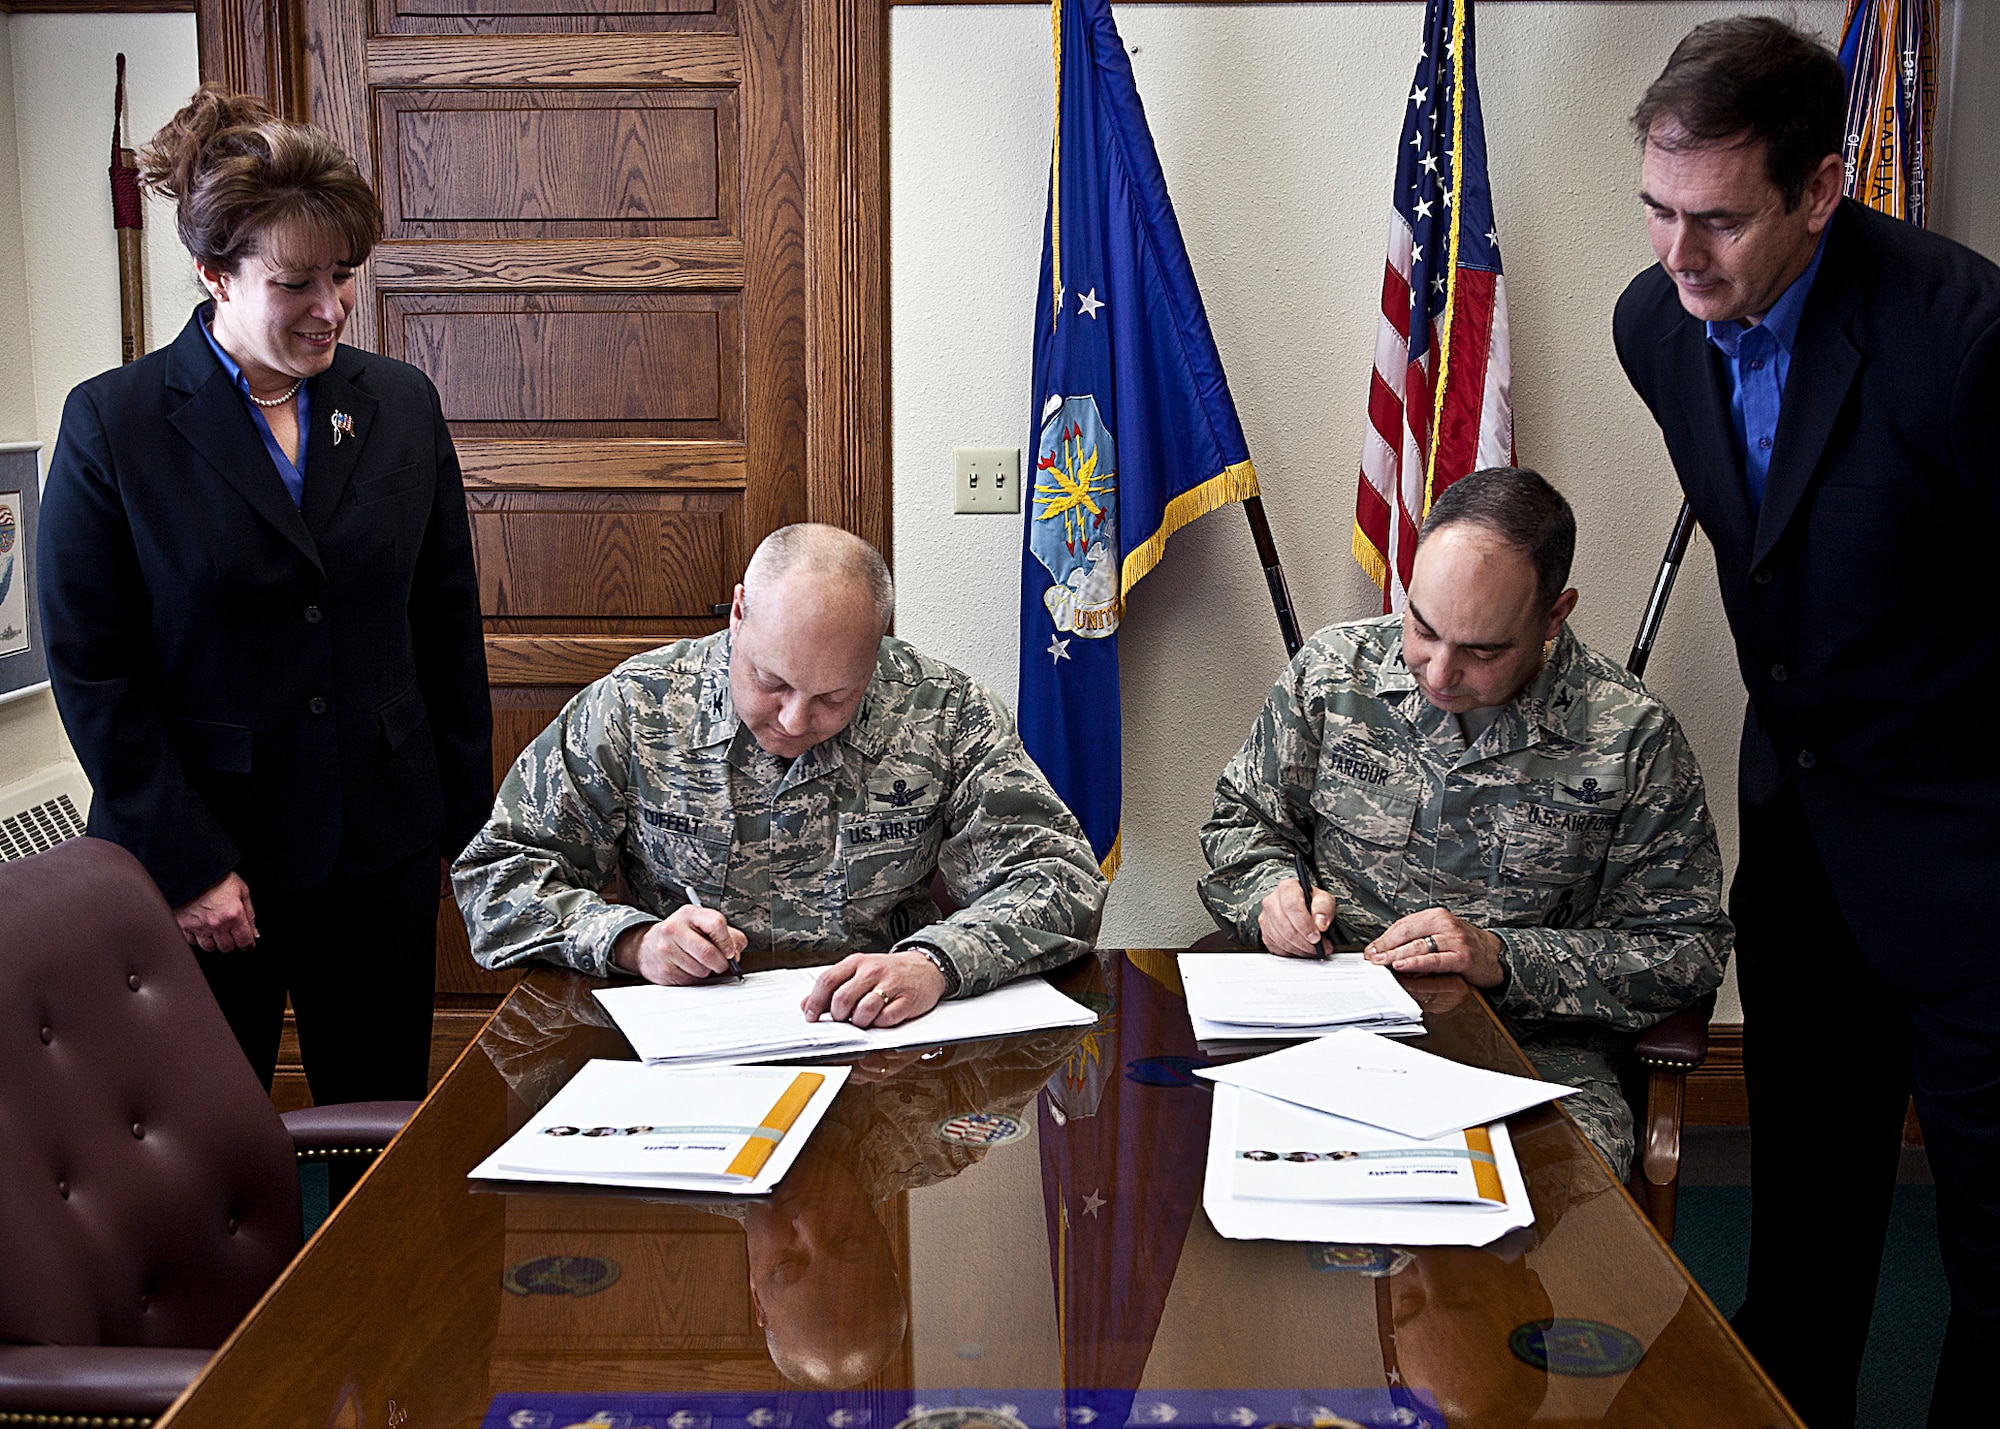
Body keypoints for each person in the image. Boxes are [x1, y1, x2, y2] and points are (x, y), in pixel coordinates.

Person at [1612, 18, 2000, 1425]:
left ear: (1824, 189)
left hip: (1974, 857)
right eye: (1656, 208)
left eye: (1719, 218)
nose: (1678, 255)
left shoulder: (1967, 341)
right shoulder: (1657, 327)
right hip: (1803, 841)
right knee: (1806, 1214)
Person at [38, 85, 491, 1104]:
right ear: (213, 274)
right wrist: (187, 859)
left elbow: (443, 623)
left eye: (342, 277)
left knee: (378, 1123)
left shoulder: (401, 405)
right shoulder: (117, 423)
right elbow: (92, 665)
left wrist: (465, 830)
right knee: (197, 1141)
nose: (330, 308)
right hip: (202, 843)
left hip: (378, 848)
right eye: (296, 283)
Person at [1197, 467, 1729, 1179]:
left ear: (1553, 615)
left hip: (1531, 1058)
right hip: (1324, 1033)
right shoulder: (1333, 674)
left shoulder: (1631, 737)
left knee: (1530, 1240)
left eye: (1482, 650)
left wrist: (1507, 957)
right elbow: (1240, 825)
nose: (1440, 671)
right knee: (1242, 1187)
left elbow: (1683, 952)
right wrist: (1271, 896)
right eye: (1422, 627)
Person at [455, 522, 1106, 1025]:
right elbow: (496, 876)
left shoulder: (943, 709)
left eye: (833, 697)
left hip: (880, 1041)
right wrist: (631, 941)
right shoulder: (635, 706)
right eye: (772, 681)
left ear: (876, 652)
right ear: (738, 612)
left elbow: (1062, 877)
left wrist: (936, 961)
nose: (794, 719)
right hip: (685, 1041)